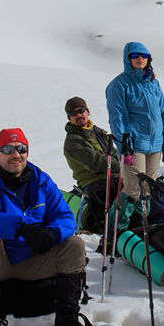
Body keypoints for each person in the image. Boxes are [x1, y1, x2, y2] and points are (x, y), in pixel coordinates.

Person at [0, 128, 104, 326]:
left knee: (74, 245)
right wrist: (20, 228)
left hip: (35, 258)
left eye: (21, 149)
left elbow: (66, 217)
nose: (16, 155)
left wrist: (52, 234)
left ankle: (66, 324)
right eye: (8, 150)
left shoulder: (41, 181)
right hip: (2, 261)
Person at [105, 42, 164, 204]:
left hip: (155, 146)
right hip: (134, 146)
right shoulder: (119, 84)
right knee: (134, 189)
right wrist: (124, 147)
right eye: (134, 56)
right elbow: (118, 118)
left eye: (144, 56)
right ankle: (120, 226)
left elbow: (163, 115)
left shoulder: (153, 83)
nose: (140, 59)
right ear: (127, 59)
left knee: (149, 189)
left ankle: (143, 227)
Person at [62, 96, 116, 237]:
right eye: (74, 114)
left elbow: (114, 154)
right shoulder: (73, 142)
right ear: (70, 118)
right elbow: (96, 163)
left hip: (113, 176)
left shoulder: (97, 132)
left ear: (88, 111)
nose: (79, 115)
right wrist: (123, 167)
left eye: (81, 110)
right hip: (94, 183)